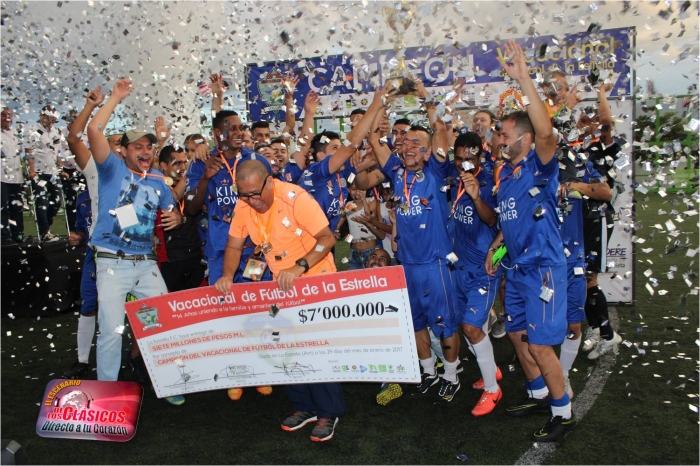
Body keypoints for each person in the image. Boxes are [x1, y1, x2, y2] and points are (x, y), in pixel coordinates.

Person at [485, 40, 574, 442]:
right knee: (518, 336)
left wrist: (523, 79)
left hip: (544, 270)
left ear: (523, 138)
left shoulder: (540, 165)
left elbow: (546, 131)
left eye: (504, 134)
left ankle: (563, 414)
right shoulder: (506, 176)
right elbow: (510, 224)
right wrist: (496, 247)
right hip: (518, 270)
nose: (498, 139)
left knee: (540, 347)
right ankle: (540, 395)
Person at [213, 159, 340, 442]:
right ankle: (303, 406)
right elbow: (234, 245)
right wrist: (227, 276)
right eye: (244, 195)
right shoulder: (244, 204)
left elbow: (327, 238)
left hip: (315, 278)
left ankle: (328, 412)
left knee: (316, 349)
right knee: (288, 347)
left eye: (255, 193)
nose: (251, 201)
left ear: (270, 182)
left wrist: (299, 267)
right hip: (281, 285)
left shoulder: (296, 198)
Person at [356, 83, 462, 403]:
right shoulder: (396, 171)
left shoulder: (437, 171)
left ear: (429, 151)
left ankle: (451, 376)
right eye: (407, 142)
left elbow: (439, 129)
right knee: (415, 322)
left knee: (444, 325)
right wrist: (380, 102)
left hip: (436, 263)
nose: (410, 146)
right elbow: (373, 138)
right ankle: (428, 372)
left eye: (418, 142)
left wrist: (425, 96)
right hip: (407, 264)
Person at [86, 79, 183, 407]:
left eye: (148, 147)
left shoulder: (157, 180)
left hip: (145, 265)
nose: (144, 151)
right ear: (123, 151)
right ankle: (106, 396)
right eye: (137, 146)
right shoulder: (111, 169)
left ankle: (168, 382)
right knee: (111, 331)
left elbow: (173, 209)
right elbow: (94, 131)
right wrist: (115, 97)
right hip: (111, 262)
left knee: (163, 324)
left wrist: (177, 217)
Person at [184, 109, 273, 400]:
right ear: (216, 133)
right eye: (229, 127)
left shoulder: (255, 160)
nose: (237, 132)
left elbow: (270, 199)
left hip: (253, 251)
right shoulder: (202, 163)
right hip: (220, 251)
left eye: (239, 127)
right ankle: (234, 371)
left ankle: (260, 369)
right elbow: (191, 208)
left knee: (258, 310)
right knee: (226, 313)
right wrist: (205, 178)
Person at [450, 131, 503, 416]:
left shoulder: (489, 182)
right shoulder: (454, 180)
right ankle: (491, 370)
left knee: (471, 328)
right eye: (458, 158)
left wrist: (477, 197)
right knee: (470, 326)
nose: (463, 163)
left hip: (485, 269)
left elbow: (493, 220)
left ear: (479, 156)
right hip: (460, 269)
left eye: (468, 157)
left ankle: (493, 391)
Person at [557, 154, 612, 398]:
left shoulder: (578, 162)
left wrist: (574, 186)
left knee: (575, 318)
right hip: (545, 256)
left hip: (577, 247)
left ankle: (604, 332)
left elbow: (605, 192)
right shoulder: (530, 164)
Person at [155, 145, 205, 292]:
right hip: (170, 260)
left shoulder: (191, 184)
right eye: (177, 163)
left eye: (184, 162)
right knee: (171, 302)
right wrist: (188, 174)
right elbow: (171, 199)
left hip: (195, 255)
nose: (182, 167)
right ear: (164, 166)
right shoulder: (157, 185)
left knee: (197, 301)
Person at [25, 105, 63, 242]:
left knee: (57, 201)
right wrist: (31, 170)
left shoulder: (56, 132)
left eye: (53, 118)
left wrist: (61, 166)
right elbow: (29, 151)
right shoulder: (33, 129)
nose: (51, 121)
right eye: (48, 117)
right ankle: (44, 232)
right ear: (42, 116)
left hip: (52, 172)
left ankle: (46, 225)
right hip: (38, 171)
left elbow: (57, 151)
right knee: (42, 201)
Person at [344, 180, 385, 270]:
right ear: (348, 190)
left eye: (360, 189)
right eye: (353, 189)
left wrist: (364, 200)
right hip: (354, 253)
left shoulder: (371, 201)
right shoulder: (347, 205)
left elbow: (368, 217)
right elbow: (341, 220)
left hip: (371, 252)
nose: (357, 192)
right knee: (354, 278)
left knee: (373, 278)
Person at [1, 107, 25, 244]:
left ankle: (18, 234)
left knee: (16, 207)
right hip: (1, 177)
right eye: (3, 115)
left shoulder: (16, 134)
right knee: (2, 208)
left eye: (9, 115)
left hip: (16, 177)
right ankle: (4, 237)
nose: (7, 118)